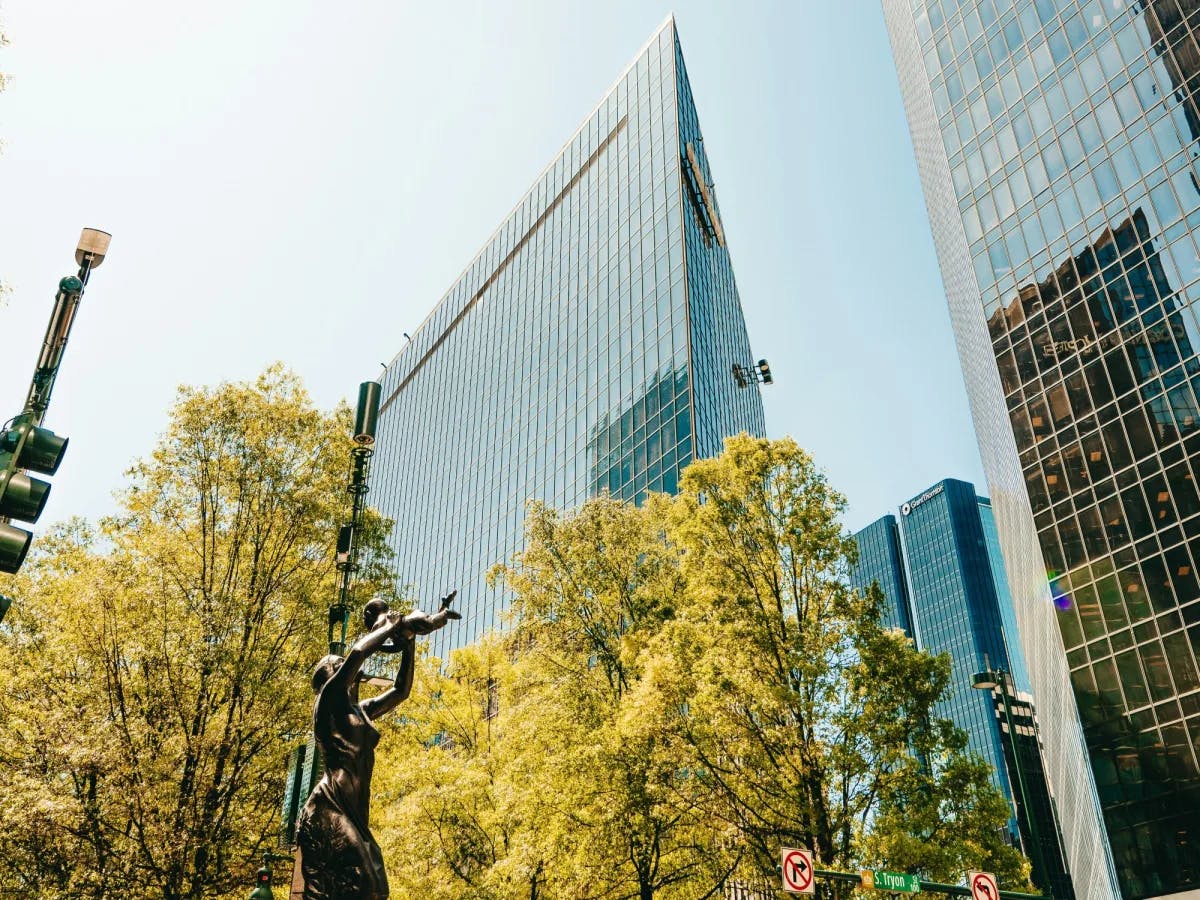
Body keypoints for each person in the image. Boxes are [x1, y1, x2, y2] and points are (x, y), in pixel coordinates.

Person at [296, 594, 460, 899]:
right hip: (329, 808)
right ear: (328, 679)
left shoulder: (360, 710)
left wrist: (408, 641)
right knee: (367, 885)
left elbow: (401, 690)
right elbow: (359, 651)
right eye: (339, 665)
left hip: (353, 810)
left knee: (375, 886)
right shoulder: (328, 702)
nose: (346, 667)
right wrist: (392, 624)